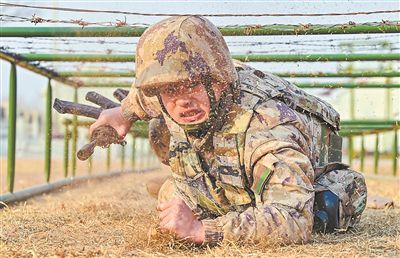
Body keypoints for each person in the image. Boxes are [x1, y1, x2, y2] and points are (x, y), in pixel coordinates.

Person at [90, 15, 367, 245]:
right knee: (163, 148)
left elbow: (293, 219)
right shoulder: (171, 91)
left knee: (328, 207)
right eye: (170, 90)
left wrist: (202, 230)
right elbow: (147, 96)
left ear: (219, 81)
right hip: (231, 157)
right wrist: (123, 113)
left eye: (192, 85)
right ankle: (204, 189)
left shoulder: (267, 122)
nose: (182, 100)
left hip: (305, 179)